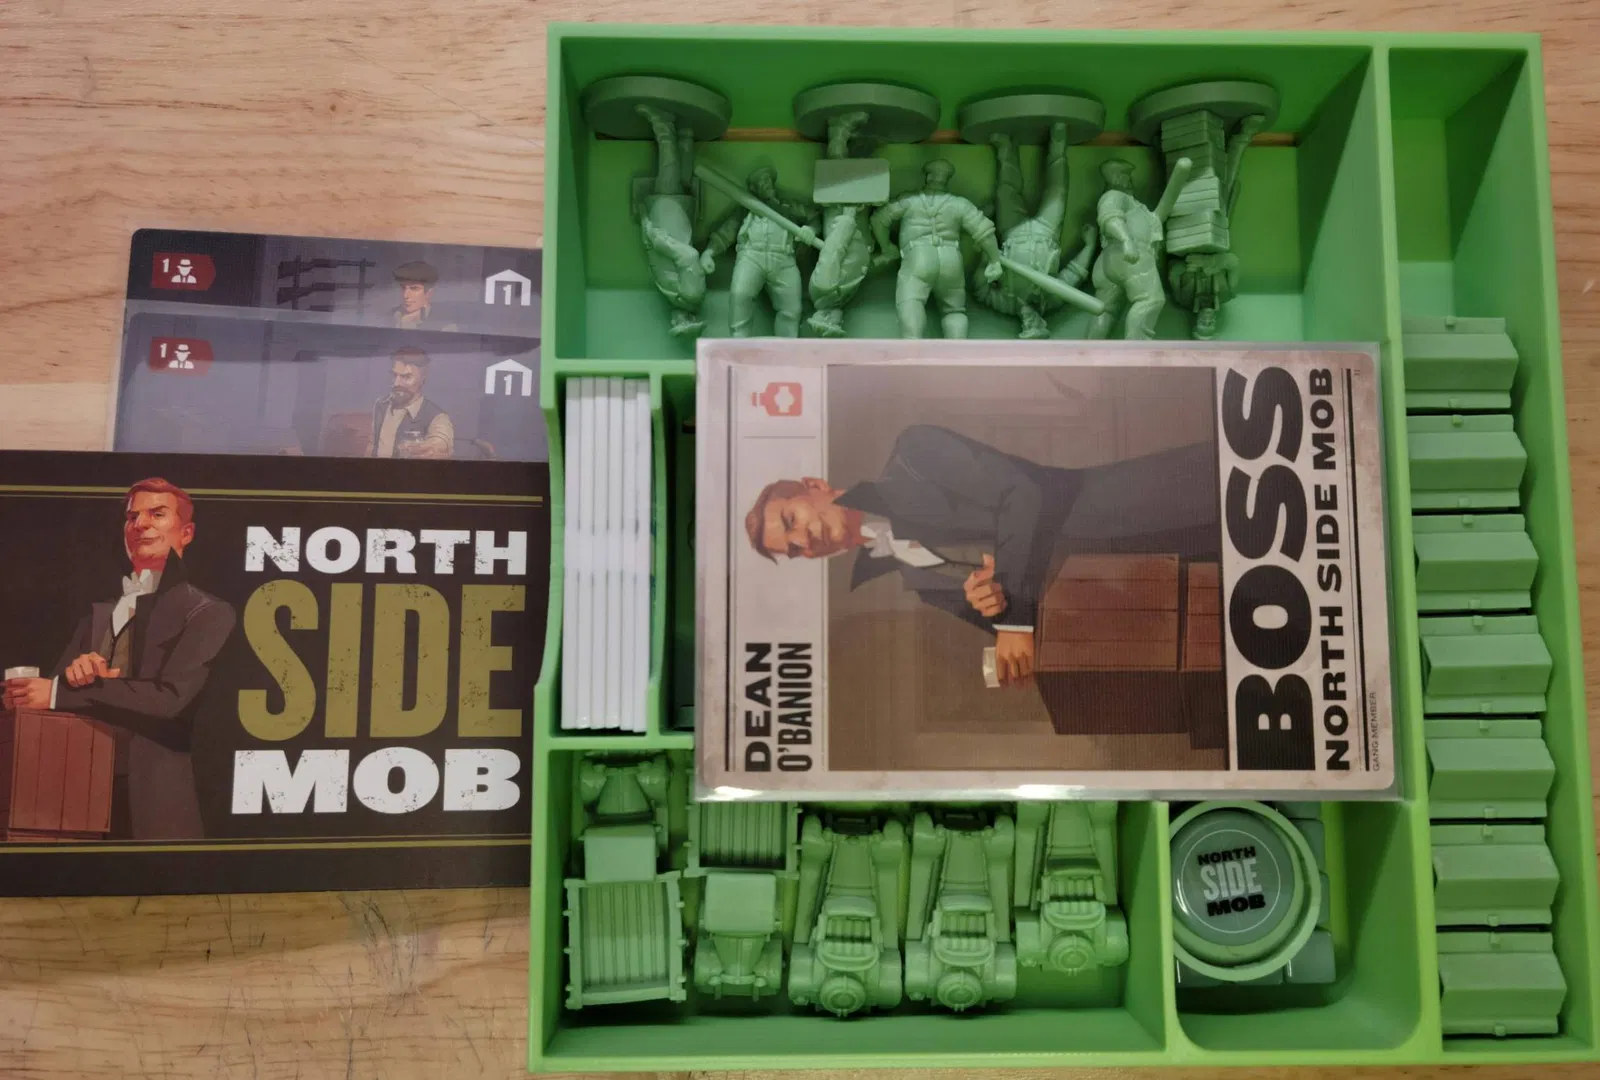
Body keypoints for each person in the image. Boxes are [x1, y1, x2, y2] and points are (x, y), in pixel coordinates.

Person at [744, 424, 1218, 686]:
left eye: (791, 520)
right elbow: (1036, 639)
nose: (805, 541)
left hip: (1142, 507)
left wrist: (1011, 616)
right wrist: (994, 615)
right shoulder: (918, 583)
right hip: (1147, 592)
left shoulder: (914, 454)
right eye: (795, 551)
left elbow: (1023, 493)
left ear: (814, 486)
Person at [2, 479, 237, 840]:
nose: (140, 524)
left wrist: (64, 692)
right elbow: (54, 701)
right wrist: (31, 695)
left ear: (186, 533)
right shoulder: (96, 616)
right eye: (132, 517)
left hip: (155, 804)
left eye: (157, 514)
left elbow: (170, 700)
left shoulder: (207, 612)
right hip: (78, 798)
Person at [870, 159, 1003, 339]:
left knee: (911, 301)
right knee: (954, 310)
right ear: (947, 179)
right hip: (951, 259)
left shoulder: (909, 200)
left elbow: (878, 220)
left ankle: (913, 347)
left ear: (928, 176)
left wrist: (887, 247)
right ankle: (957, 351)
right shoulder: (960, 204)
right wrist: (995, 261)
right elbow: (985, 231)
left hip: (918, 256)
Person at [702, 165, 817, 338]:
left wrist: (811, 230)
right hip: (751, 256)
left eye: (768, 180)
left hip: (783, 259)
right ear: (753, 189)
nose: (767, 183)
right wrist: (709, 252)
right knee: (740, 296)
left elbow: (814, 217)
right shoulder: (746, 208)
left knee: (792, 308)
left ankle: (786, 348)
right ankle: (739, 344)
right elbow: (725, 233)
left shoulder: (788, 206)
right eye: (761, 181)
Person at [364, 347, 454, 459]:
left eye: (406, 377)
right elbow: (372, 445)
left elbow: (441, 441)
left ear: (422, 378)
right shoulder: (381, 405)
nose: (396, 383)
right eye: (394, 375)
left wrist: (434, 448)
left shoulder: (438, 417)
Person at [391, 260, 456, 329]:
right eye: (403, 288)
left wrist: (407, 324)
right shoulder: (388, 316)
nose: (405, 295)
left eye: (414, 288)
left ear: (429, 293)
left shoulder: (444, 325)